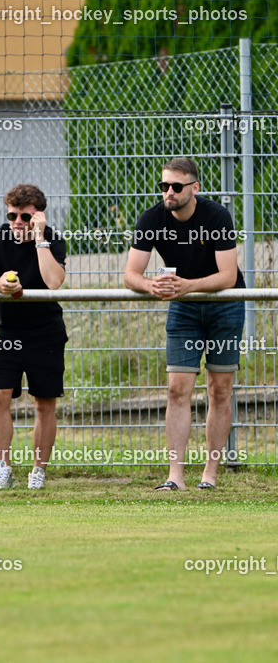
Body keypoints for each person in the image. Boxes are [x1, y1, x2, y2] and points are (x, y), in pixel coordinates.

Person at [124, 157, 244, 491]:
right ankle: (174, 477)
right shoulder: (151, 218)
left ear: (195, 188)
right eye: (164, 186)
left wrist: (187, 285)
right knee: (177, 390)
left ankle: (210, 475)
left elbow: (229, 276)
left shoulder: (217, 216)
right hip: (183, 308)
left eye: (177, 186)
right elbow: (131, 275)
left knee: (219, 390)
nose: (169, 193)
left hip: (224, 305)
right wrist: (152, 286)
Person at [0, 183, 67, 490]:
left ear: (39, 217)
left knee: (45, 403)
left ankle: (38, 472)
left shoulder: (53, 240)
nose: (17, 223)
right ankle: (3, 469)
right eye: (12, 216)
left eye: (25, 217)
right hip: (8, 331)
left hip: (46, 331)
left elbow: (54, 282)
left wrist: (40, 240)